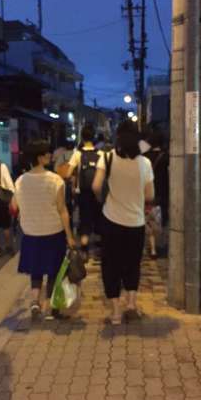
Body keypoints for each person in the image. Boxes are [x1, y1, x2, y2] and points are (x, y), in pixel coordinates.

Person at [93, 120, 155, 325]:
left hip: (111, 220)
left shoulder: (107, 157)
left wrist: (103, 200)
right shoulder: (145, 163)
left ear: (117, 137)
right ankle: (131, 305)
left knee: (111, 265)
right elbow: (150, 195)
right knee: (132, 264)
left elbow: (96, 186)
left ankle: (116, 313)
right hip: (136, 223)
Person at [12, 139, 75, 319]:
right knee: (54, 271)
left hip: (31, 233)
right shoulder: (55, 180)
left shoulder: (20, 181)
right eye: (47, 153)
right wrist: (69, 236)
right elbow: (62, 210)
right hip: (53, 232)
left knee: (36, 270)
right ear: (39, 157)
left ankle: (34, 302)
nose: (50, 155)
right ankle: (50, 307)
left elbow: (15, 206)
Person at [67, 124, 102, 259]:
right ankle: (99, 248)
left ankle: (84, 248)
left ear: (82, 137)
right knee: (98, 217)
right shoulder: (101, 154)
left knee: (85, 218)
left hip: (83, 192)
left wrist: (74, 179)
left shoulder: (77, 154)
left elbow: (68, 173)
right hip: (98, 192)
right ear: (94, 137)